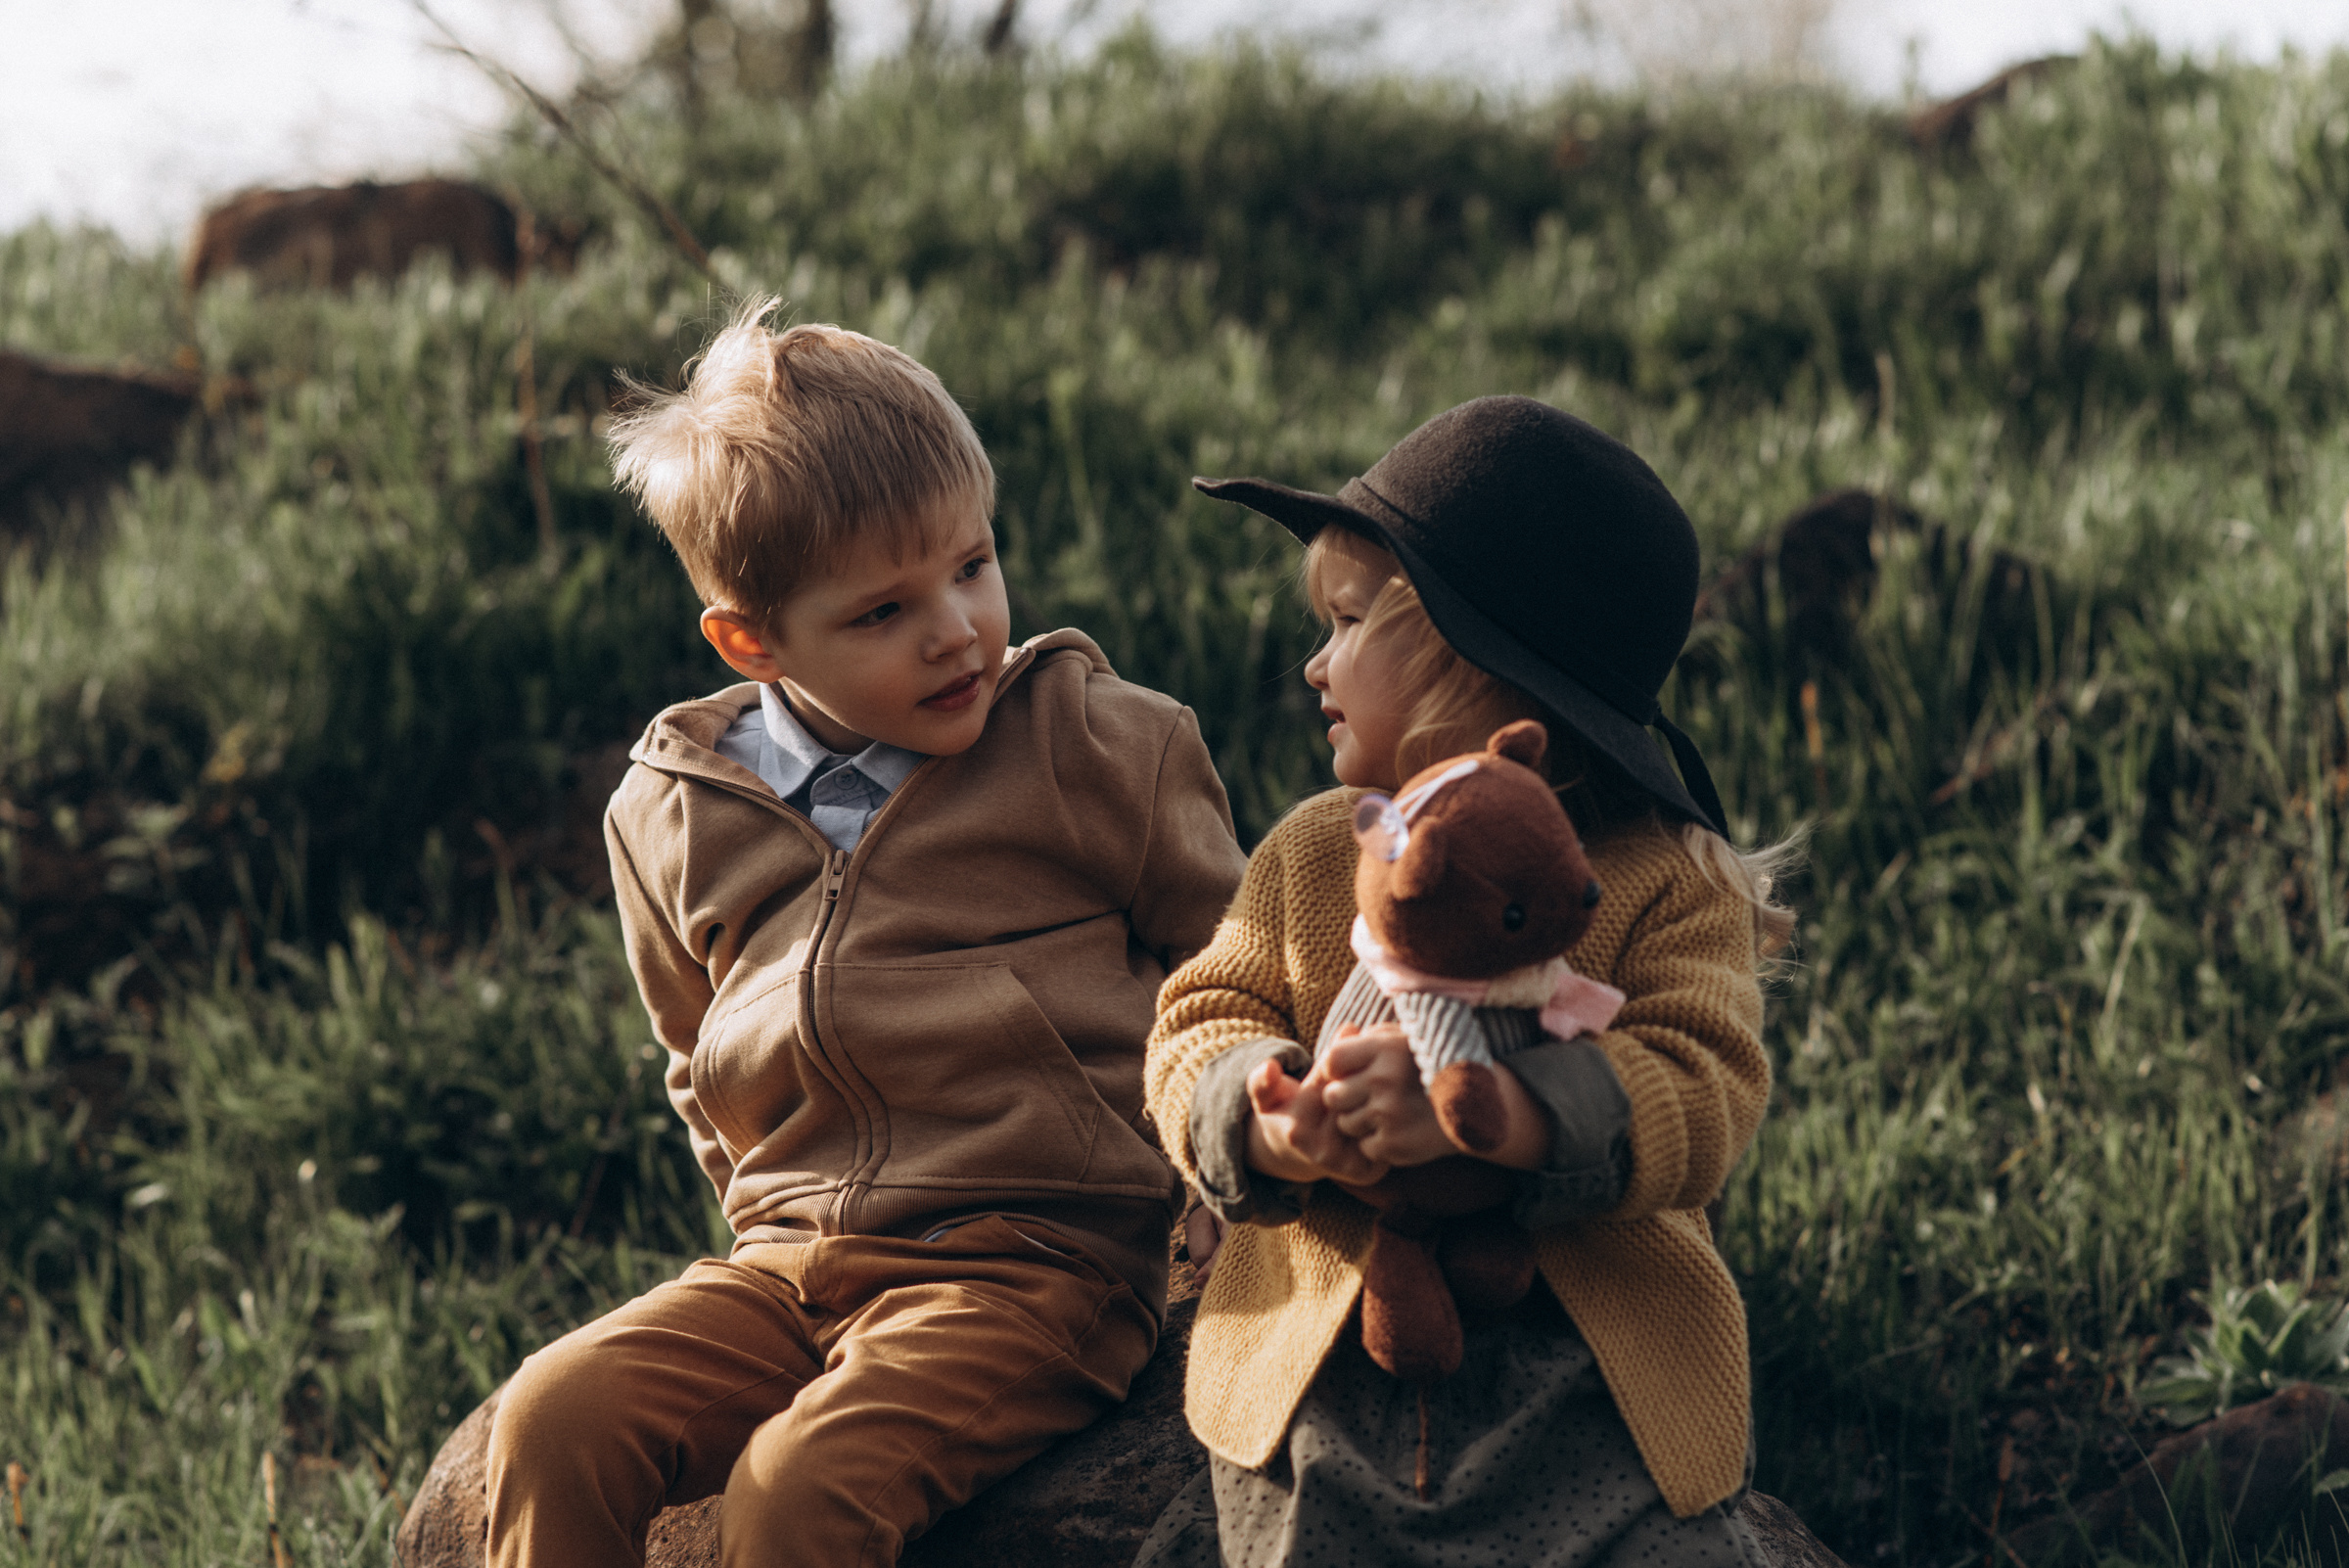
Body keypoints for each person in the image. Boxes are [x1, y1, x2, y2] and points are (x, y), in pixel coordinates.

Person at [484, 299, 1247, 1568]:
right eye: (883, 611)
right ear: (751, 639)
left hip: (1034, 1262)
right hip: (791, 1262)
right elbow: (691, 1051)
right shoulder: (670, 807)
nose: (956, 626)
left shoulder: (1103, 742)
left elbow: (1229, 967)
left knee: (798, 1488)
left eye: (972, 564)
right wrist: (768, 1214)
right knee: (549, 1420)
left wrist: (1225, 1174)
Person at [1139, 395, 1800, 1568]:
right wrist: (1276, 1115)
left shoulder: (1658, 883)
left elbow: (1709, 1087)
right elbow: (1202, 1014)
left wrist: (1519, 1115)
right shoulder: (1313, 853)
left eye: (1346, 622)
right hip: (1332, 1355)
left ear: (1479, 672)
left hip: (1586, 1362)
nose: (1312, 661)